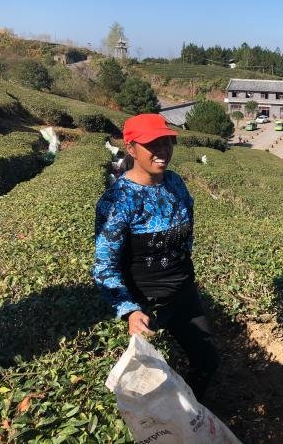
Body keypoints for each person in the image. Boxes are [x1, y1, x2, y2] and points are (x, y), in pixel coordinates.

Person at [91, 113, 219, 400]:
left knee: (208, 361)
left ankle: (190, 412)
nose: (162, 151)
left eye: (166, 142)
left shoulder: (174, 182)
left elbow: (187, 231)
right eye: (152, 144)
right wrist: (130, 309)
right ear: (132, 148)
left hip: (184, 291)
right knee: (150, 386)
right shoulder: (118, 201)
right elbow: (104, 266)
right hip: (147, 302)